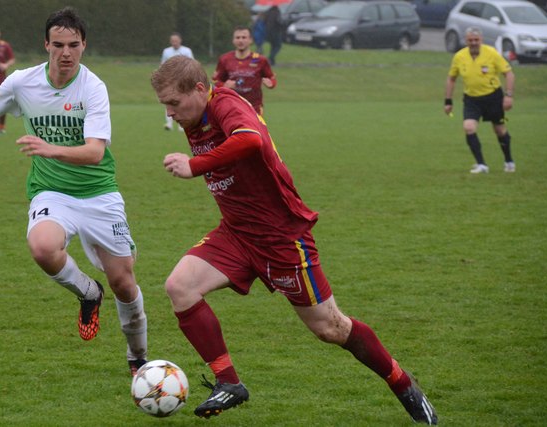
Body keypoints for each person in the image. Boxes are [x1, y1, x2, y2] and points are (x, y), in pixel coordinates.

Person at [151, 55, 438, 424]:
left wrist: (196, 165)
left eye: (174, 103)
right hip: (236, 233)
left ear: (201, 90)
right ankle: (230, 382)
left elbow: (251, 140)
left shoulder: (225, 104)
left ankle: (403, 386)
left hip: (281, 238)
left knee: (331, 328)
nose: (170, 113)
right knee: (179, 287)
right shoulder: (194, 117)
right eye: (165, 106)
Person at [0, 7, 148, 376]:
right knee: (42, 247)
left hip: (99, 193)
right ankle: (87, 292)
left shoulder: (93, 88)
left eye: (74, 45)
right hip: (51, 192)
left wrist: (50, 149)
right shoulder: (21, 82)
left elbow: (95, 152)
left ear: (84, 46)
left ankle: (137, 357)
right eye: (59, 45)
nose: (66, 53)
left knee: (124, 283)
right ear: (46, 45)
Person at [444, 27, 516, 174]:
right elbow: (451, 79)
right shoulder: (459, 56)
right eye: (470, 40)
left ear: (481, 40)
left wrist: (508, 95)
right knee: (469, 127)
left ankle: (509, 161)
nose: (474, 43)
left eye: (476, 40)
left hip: (493, 97)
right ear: (466, 41)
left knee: (500, 130)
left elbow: (509, 74)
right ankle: (482, 165)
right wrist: (448, 101)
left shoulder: (491, 53)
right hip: (471, 99)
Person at [213, 26, 276, 117]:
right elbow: (216, 81)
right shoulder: (225, 59)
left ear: (250, 40)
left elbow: (271, 78)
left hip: (254, 108)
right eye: (237, 38)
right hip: (231, 107)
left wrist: (272, 84)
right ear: (233, 40)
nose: (240, 40)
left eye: (244, 37)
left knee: (254, 131)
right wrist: (224, 86)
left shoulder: (260, 60)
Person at [160, 32, 194, 131]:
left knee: (182, 101)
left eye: (176, 40)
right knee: (169, 101)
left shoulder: (187, 51)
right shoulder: (166, 51)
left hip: (183, 80)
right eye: (172, 41)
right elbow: (163, 65)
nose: (174, 42)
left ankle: (181, 124)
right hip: (170, 81)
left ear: (180, 40)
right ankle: (169, 123)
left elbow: (191, 64)